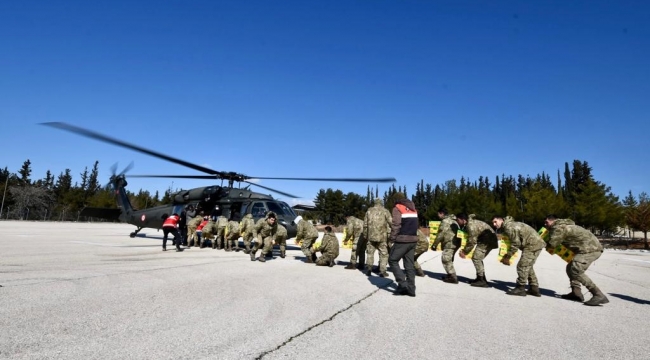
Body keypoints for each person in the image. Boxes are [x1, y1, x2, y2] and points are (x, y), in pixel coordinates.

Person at [545, 214, 609, 306]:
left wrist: (541, 241)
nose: (545, 224)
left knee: (576, 271)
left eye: (547, 222)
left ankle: (598, 294)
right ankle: (576, 293)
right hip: (590, 248)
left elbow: (552, 244)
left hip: (589, 250)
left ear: (553, 221)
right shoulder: (565, 225)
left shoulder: (558, 227)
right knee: (570, 267)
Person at [492, 215, 546, 297]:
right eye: (493, 223)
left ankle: (520, 288)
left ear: (501, 220)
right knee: (528, 266)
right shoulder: (511, 224)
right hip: (535, 244)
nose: (494, 224)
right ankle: (534, 288)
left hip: (532, 245)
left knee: (522, 266)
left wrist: (508, 256)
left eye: (495, 222)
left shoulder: (509, 227)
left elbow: (515, 244)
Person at [388, 193, 418, 297]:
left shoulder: (398, 208)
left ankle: (403, 284)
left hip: (402, 239)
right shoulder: (413, 208)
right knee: (409, 265)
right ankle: (411, 289)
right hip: (413, 239)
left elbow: (396, 225)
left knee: (392, 260)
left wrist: (391, 238)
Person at [457, 213, 499, 287]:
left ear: (463, 220)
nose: (457, 222)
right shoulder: (470, 222)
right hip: (488, 239)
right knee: (477, 258)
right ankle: (481, 278)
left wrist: (464, 252)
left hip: (487, 239)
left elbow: (472, 241)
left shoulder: (470, 225)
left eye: (458, 220)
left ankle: (481, 280)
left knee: (476, 258)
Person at [363, 198, 392, 277]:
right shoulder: (385, 211)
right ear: (381, 203)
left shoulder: (369, 211)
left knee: (370, 253)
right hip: (382, 237)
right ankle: (382, 271)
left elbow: (365, 224)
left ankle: (369, 269)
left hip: (371, 236)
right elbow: (391, 222)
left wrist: (365, 235)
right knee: (383, 254)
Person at [430, 208, 460, 284]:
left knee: (446, 259)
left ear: (442, 213)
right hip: (456, 242)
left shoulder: (445, 221)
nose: (438, 216)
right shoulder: (453, 220)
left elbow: (441, 233)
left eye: (438, 214)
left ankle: (453, 277)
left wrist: (434, 244)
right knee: (449, 259)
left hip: (450, 242)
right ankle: (450, 275)